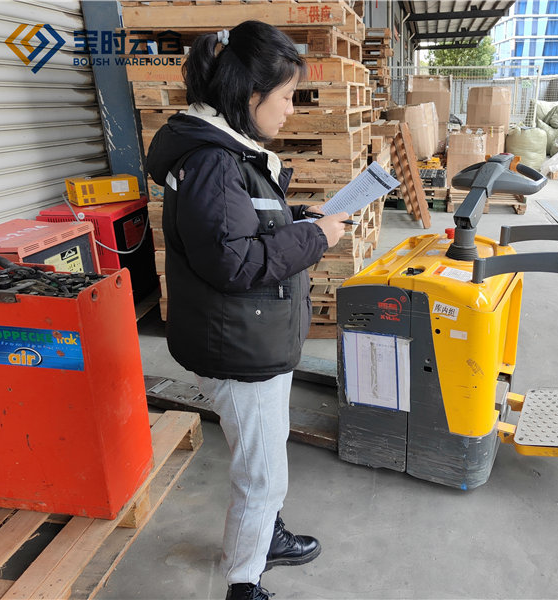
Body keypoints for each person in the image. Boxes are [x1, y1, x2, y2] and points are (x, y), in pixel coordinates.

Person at [146, 20, 349, 600]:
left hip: (254, 336)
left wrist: (299, 219)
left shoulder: (229, 152)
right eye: (286, 96)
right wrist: (315, 238)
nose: (291, 109)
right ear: (251, 94)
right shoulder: (214, 162)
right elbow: (231, 264)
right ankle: (243, 582)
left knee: (263, 453)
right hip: (241, 346)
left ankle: (267, 537)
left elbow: (241, 227)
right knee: (261, 476)